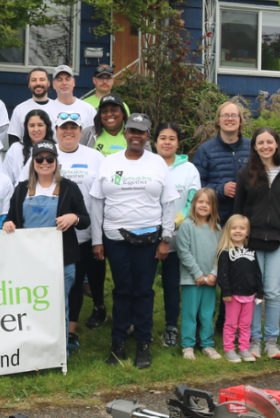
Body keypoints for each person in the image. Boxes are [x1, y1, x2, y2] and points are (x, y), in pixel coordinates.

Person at [90, 113, 178, 369]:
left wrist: (166, 239)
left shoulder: (157, 163)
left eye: (141, 132)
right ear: (125, 133)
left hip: (148, 238)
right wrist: (97, 240)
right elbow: (97, 203)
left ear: (147, 136)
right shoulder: (109, 162)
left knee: (143, 291)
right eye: (132, 131)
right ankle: (117, 343)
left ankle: (143, 343)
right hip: (115, 238)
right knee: (121, 290)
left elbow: (168, 203)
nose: (136, 136)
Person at [4, 140, 90, 353]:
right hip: (29, 259)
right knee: (30, 304)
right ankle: (31, 348)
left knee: (59, 304)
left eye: (49, 158)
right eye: (39, 158)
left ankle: (58, 351)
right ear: (33, 162)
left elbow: (85, 220)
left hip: (61, 258)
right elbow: (12, 218)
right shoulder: (22, 189)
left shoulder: (69, 187)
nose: (45, 162)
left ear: (56, 161)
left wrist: (73, 218)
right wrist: (8, 223)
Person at [234, 127, 280, 361]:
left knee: (271, 291)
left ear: (277, 144)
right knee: (253, 292)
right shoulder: (244, 174)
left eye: (269, 142)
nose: (265, 146)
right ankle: (254, 339)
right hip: (252, 241)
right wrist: (236, 242)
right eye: (260, 143)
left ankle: (271, 340)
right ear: (254, 147)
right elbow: (238, 212)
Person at [52, 112, 105, 351]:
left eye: (73, 127)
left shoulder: (95, 157)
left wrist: (97, 239)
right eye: (64, 127)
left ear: (81, 131)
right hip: (50, 237)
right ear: (56, 130)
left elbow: (101, 198)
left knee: (75, 286)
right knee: (52, 286)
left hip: (83, 235)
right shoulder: (46, 154)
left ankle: (70, 332)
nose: (68, 132)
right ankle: (51, 330)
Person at [154, 122, 201, 349]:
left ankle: (171, 327)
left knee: (172, 285)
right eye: (163, 138)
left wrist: (172, 224)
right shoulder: (147, 165)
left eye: (172, 138)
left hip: (178, 239)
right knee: (143, 285)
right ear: (155, 142)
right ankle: (137, 324)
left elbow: (193, 201)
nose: (167, 142)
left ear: (178, 143)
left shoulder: (189, 169)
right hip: (148, 238)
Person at [176, 188, 222, 361]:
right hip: (191, 280)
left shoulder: (217, 228)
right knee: (190, 313)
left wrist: (213, 274)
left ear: (213, 207)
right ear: (194, 204)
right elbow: (184, 251)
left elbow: (220, 254)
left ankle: (207, 344)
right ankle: (188, 345)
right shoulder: (187, 225)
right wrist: (197, 274)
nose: (204, 205)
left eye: (208, 203)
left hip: (210, 281)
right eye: (200, 202)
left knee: (207, 313)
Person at [193, 101, 250, 224]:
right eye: (225, 115)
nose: (230, 119)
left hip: (246, 221)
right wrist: (220, 190)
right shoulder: (205, 151)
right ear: (218, 121)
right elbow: (197, 185)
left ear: (240, 120)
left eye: (234, 115)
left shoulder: (252, 148)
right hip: (215, 221)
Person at [217, 215, 262, 363]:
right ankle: (229, 349)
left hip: (249, 295)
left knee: (245, 324)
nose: (238, 231)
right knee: (231, 324)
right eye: (234, 228)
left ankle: (244, 348)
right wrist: (226, 291)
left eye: (242, 228)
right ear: (228, 231)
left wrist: (260, 292)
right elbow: (222, 274)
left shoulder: (251, 251)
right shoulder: (225, 252)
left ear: (247, 232)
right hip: (233, 296)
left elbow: (257, 273)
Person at [2, 109, 53, 184]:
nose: (36, 129)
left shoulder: (55, 149)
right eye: (32, 125)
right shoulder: (15, 149)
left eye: (40, 125)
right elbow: (5, 181)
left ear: (47, 127)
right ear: (26, 128)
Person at [9, 68, 57, 144]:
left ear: (48, 83)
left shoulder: (58, 107)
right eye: (34, 80)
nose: (38, 83)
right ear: (29, 84)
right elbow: (13, 139)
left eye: (42, 79)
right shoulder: (20, 109)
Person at [50, 65, 96, 132]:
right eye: (60, 80)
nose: (64, 83)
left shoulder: (89, 110)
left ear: (73, 82)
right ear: (54, 84)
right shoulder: (47, 110)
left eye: (67, 79)